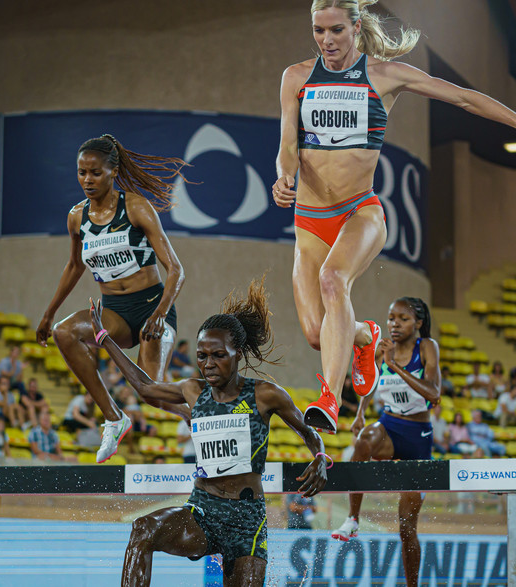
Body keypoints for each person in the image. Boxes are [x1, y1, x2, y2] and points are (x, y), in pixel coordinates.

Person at [275, 0, 516, 433]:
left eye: (336, 30)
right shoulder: (297, 76)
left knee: (333, 280)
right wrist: (284, 174)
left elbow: (464, 98)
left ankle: (329, 400)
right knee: (318, 333)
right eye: (318, 31)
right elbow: (287, 140)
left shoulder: (385, 76)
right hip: (309, 219)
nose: (326, 41)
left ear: (356, 27)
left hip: (360, 211)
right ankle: (366, 337)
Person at [90, 278, 327, 586]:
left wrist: (320, 456)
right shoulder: (192, 390)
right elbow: (145, 386)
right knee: (142, 529)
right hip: (202, 510)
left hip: (246, 521)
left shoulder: (266, 395)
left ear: (237, 354)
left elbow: (308, 431)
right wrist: (105, 338)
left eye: (218, 355)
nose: (208, 364)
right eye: (202, 355)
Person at [36, 133, 191, 463]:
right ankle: (113, 417)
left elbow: (176, 269)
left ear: (113, 172)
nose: (87, 180)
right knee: (65, 332)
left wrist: (161, 313)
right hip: (114, 313)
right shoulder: (77, 217)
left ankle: (201, 416)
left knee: (153, 392)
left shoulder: (135, 207)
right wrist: (49, 314)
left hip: (151, 307)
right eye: (81, 172)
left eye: (95, 172)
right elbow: (75, 265)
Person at [330, 297, 440, 587]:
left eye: (402, 319)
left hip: (418, 437)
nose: (394, 324)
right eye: (391, 318)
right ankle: (353, 519)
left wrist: (396, 366)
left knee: (406, 527)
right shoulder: (383, 348)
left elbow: (434, 394)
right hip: (390, 427)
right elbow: (370, 380)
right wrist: (361, 413)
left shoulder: (426, 347)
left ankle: (412, 585)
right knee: (364, 440)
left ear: (418, 323)